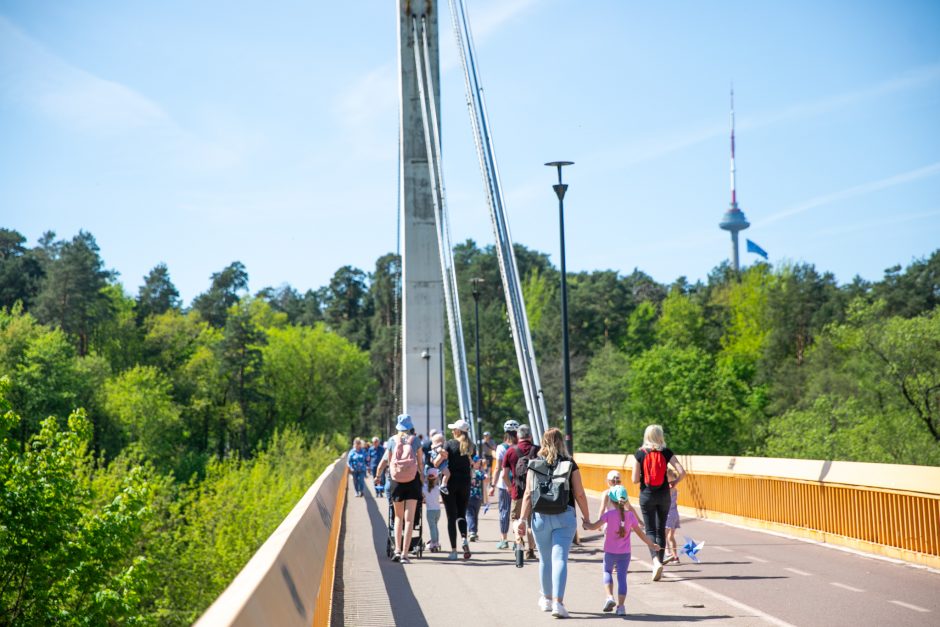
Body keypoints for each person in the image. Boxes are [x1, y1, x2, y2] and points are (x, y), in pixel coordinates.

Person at [515, 428, 592, 619]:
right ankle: (558, 603)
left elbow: (527, 494)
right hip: (564, 516)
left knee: (545, 558)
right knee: (560, 559)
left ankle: (546, 599)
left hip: (540, 517)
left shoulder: (534, 464)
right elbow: (580, 493)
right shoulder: (569, 463)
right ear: (560, 443)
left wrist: (523, 520)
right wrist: (587, 519)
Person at [584, 485, 659, 616]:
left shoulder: (608, 515)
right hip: (625, 554)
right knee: (622, 578)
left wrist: (586, 524)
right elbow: (641, 534)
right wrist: (652, 545)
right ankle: (621, 607)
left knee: (607, 571)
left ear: (611, 500)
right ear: (626, 500)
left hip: (610, 552)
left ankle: (609, 597)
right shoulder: (630, 516)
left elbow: (593, 527)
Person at [632, 424, 686, 582]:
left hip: (647, 495)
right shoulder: (666, 452)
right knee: (661, 529)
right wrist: (674, 482)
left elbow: (634, 480)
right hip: (664, 495)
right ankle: (660, 563)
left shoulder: (640, 453)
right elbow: (682, 472)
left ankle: (655, 562)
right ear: (660, 436)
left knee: (650, 530)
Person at [374, 414, 424, 564]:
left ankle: (396, 549)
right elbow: (420, 463)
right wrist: (422, 478)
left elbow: (388, 461)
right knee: (409, 520)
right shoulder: (415, 441)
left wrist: (379, 476)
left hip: (396, 482)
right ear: (410, 427)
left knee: (398, 518)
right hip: (412, 482)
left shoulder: (391, 441)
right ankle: (405, 554)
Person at [434, 418, 475, 560]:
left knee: (451, 517)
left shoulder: (449, 444)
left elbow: (437, 462)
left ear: (458, 431)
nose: (452, 431)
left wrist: (438, 457)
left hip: (450, 482)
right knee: (461, 514)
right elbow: (472, 464)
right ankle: (464, 538)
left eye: (453, 429)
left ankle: (453, 550)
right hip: (465, 482)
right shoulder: (471, 445)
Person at [503, 423, 538, 559]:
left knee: (516, 519)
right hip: (534, 493)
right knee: (531, 522)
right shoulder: (538, 450)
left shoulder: (510, 451)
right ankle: (531, 550)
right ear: (530, 436)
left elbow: (504, 475)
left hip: (517, 492)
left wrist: (510, 487)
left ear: (518, 436)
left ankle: (519, 544)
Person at [489, 420, 518, 549]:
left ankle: (504, 539)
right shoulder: (521, 447)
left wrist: (492, 485)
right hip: (519, 483)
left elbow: (498, 469)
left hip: (504, 484)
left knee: (504, 511)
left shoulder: (501, 447)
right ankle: (518, 539)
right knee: (518, 512)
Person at [466, 455, 490, 541]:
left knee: (470, 514)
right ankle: (474, 532)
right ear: (473, 463)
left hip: (469, 496)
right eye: (478, 463)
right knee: (474, 515)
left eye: (480, 463)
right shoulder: (479, 472)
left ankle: (472, 532)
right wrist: (483, 470)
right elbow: (487, 478)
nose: (478, 465)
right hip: (478, 497)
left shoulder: (468, 471)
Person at [664, 467, 681, 564]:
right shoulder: (674, 488)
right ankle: (675, 557)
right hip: (675, 514)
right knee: (671, 537)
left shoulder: (669, 489)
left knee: (663, 536)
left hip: (668, 515)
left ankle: (667, 553)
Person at [424, 467, 443, 552]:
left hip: (430, 511)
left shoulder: (424, 488)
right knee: (435, 526)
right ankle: (436, 541)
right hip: (438, 510)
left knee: (432, 528)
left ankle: (434, 542)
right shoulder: (438, 488)